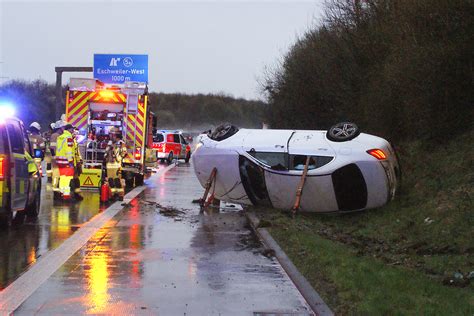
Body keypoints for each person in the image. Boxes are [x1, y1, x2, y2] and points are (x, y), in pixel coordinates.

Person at [56, 124, 83, 201]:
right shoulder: (69, 138)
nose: (73, 131)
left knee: (62, 178)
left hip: (60, 161)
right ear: (70, 129)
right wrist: (71, 162)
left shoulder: (60, 137)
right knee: (67, 179)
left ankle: (61, 194)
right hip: (67, 162)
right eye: (72, 129)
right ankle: (66, 196)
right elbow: (69, 151)